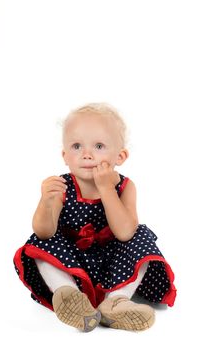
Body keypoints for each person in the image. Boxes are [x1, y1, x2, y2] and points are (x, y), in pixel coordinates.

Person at [13, 103, 176, 332]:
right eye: (77, 146)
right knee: (38, 243)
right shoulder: (61, 186)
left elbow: (125, 232)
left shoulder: (125, 186)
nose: (87, 154)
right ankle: (68, 295)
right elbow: (44, 232)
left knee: (141, 237)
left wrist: (107, 189)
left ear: (120, 156)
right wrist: (45, 202)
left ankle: (116, 301)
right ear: (65, 155)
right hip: (72, 262)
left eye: (99, 146)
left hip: (114, 264)